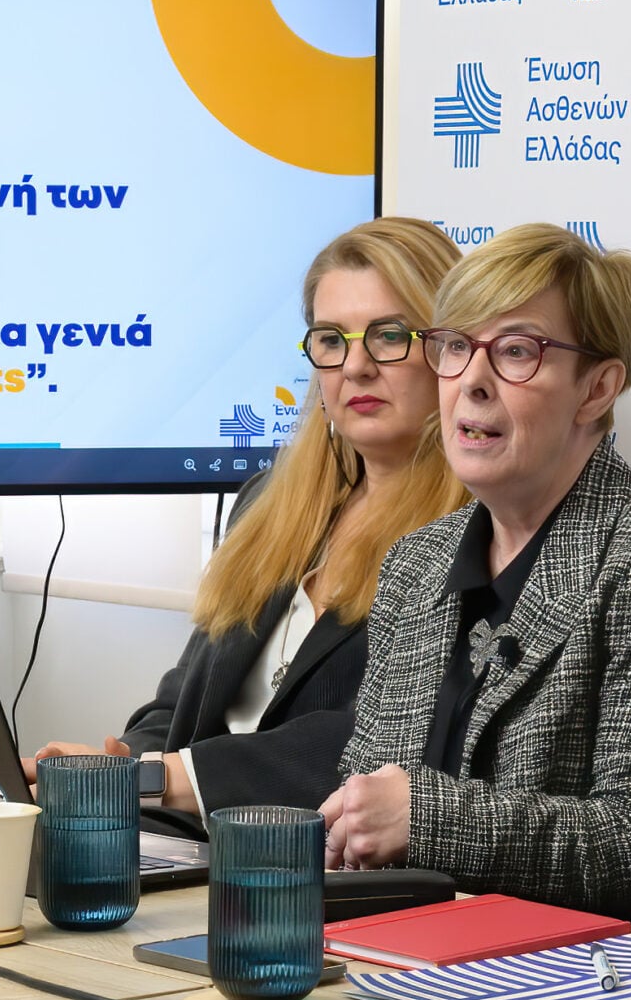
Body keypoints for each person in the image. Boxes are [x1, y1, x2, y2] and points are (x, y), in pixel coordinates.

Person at [321, 223, 631, 936]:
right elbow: (363, 797)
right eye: (456, 347)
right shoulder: (416, 563)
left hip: (620, 980)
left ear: (597, 388)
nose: (471, 381)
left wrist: (425, 819)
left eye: (514, 352)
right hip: (416, 953)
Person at [26, 217, 468, 838]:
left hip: (313, 859)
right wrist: (114, 767)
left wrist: (154, 779)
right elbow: (184, 699)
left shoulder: (477, 530)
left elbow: (377, 740)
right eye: (332, 340)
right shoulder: (267, 502)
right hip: (186, 839)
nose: (356, 366)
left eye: (389, 335)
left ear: (451, 349)